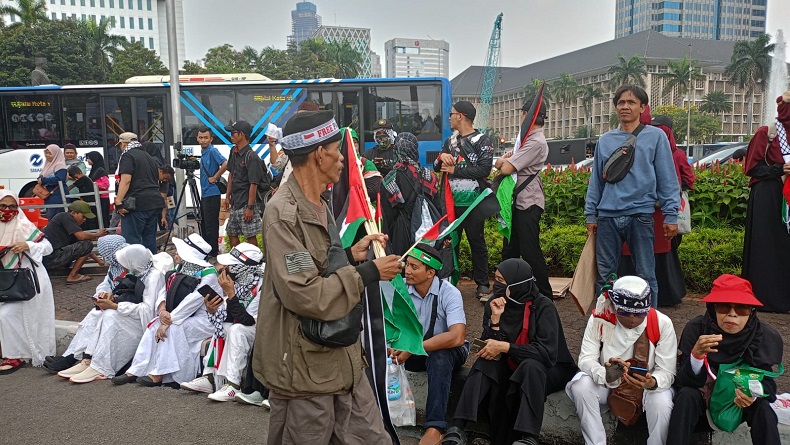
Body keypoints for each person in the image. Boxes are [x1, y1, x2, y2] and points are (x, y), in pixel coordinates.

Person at [253, 110, 403, 444]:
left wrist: (350, 255)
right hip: (304, 370)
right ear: (319, 154)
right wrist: (369, 272)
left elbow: (316, 264)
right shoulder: (283, 214)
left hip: (343, 358)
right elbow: (303, 292)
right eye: (337, 150)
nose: (343, 158)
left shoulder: (319, 203)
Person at [444, 258, 577, 445]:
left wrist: (506, 347)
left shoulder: (543, 306)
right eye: (495, 279)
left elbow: (546, 353)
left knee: (531, 366)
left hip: (550, 368)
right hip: (513, 363)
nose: (496, 285)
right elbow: (490, 346)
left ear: (518, 283)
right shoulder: (494, 304)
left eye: (501, 280)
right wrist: (495, 322)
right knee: (485, 362)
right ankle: (458, 427)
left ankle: (529, 438)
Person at [583, 85, 680, 306]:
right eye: (621, 103)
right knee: (605, 278)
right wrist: (590, 215)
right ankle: (605, 320)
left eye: (631, 102)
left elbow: (667, 178)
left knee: (646, 277)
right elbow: (596, 181)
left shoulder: (656, 137)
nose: (625, 107)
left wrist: (671, 215)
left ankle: (648, 322)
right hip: (607, 218)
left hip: (640, 216)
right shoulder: (605, 140)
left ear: (642, 107)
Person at [667, 274, 784, 444]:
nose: (732, 315)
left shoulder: (764, 336)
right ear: (712, 308)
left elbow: (769, 388)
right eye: (723, 307)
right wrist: (696, 356)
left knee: (763, 408)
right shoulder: (697, 329)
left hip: (738, 404)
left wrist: (752, 396)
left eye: (742, 309)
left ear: (751, 312)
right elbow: (683, 381)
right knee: (686, 396)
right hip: (702, 401)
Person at [566, 276, 677, 445]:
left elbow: (667, 371)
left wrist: (652, 382)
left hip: (647, 388)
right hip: (607, 384)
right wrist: (605, 374)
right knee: (580, 386)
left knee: (661, 403)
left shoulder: (662, 323)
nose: (632, 318)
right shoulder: (600, 318)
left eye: (639, 313)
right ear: (614, 306)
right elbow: (586, 358)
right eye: (624, 313)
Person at [114, 234, 219, 386]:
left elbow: (192, 302)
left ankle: (160, 374)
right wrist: (162, 309)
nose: (175, 252)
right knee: (153, 325)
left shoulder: (209, 275)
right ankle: (136, 369)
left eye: (179, 250)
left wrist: (168, 321)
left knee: (172, 328)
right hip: (179, 315)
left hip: (205, 319)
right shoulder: (181, 267)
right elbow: (165, 289)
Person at [54, 241, 166, 383]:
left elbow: (148, 311)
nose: (123, 267)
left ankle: (103, 366)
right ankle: (86, 358)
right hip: (133, 313)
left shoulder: (153, 277)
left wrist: (116, 306)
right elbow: (127, 292)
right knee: (98, 313)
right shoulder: (139, 270)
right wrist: (112, 297)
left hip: (143, 320)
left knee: (110, 315)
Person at [389, 243, 468, 445]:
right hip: (411, 350)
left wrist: (413, 348)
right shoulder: (400, 289)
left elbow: (457, 337)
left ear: (430, 273)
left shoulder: (449, 293)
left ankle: (435, 427)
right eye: (407, 265)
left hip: (447, 351)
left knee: (440, 356)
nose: (407, 270)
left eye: (414, 267)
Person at [619, 111, 694, 307]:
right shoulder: (676, 153)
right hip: (661, 212)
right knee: (659, 252)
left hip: (636, 209)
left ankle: (630, 295)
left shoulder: (632, 145)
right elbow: (688, 180)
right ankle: (662, 297)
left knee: (633, 251)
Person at [181, 242, 266, 404]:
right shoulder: (241, 282)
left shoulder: (262, 285)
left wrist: (230, 294)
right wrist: (212, 309)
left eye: (231, 266)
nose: (226, 269)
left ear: (244, 268)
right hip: (246, 326)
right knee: (224, 326)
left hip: (261, 330)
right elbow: (228, 317)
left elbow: (247, 320)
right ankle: (209, 377)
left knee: (237, 330)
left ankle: (233, 385)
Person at [434, 101, 495, 299]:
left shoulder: (482, 140)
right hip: (450, 203)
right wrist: (442, 157)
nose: (449, 117)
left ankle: (482, 284)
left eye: (452, 114)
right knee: (450, 243)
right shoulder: (450, 141)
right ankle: (449, 282)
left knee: (477, 242)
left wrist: (455, 169)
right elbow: (436, 166)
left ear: (460, 116)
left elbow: (484, 169)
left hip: (474, 203)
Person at [495, 98, 552, 299]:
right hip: (518, 202)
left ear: (526, 115)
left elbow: (505, 167)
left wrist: (502, 161)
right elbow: (502, 164)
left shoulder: (535, 141)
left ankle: (544, 296)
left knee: (530, 252)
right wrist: (503, 161)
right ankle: (506, 292)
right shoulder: (526, 140)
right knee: (510, 249)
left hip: (528, 203)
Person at [742, 91, 790, 312]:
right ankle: (766, 297)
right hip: (769, 195)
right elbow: (752, 168)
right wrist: (780, 169)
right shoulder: (767, 133)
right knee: (768, 245)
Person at [0, 190, 55, 374]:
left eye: (12, 206)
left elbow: (48, 247)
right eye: (3, 206)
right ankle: (13, 353)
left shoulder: (23, 225)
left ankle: (23, 355)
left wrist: (28, 245)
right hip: (6, 280)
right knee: (7, 315)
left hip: (30, 278)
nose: (7, 210)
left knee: (17, 315)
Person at [381, 132, 442, 256]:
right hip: (427, 230)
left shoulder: (391, 178)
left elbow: (386, 215)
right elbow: (438, 207)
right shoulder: (429, 176)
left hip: (402, 232)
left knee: (403, 264)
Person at [114, 139, 163, 253]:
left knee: (131, 241)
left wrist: (118, 201)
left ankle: (135, 264)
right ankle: (151, 263)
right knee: (149, 240)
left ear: (124, 144)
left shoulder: (128, 156)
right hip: (154, 202)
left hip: (137, 204)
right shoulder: (150, 157)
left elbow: (126, 180)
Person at [42, 201, 106, 284]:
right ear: (73, 213)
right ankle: (73, 275)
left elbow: (84, 249)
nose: (84, 219)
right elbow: (82, 237)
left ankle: (64, 271)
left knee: (85, 244)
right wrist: (97, 235)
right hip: (50, 257)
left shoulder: (69, 227)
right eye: (83, 216)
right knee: (87, 244)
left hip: (50, 258)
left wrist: (99, 261)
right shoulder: (65, 216)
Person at [224, 121, 264, 248]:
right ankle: (236, 258)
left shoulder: (252, 157)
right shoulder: (233, 151)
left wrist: (250, 208)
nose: (231, 136)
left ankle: (254, 259)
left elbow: (254, 184)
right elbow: (231, 175)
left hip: (246, 203)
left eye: (233, 133)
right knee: (232, 233)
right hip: (235, 202)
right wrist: (227, 196)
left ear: (241, 134)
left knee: (250, 236)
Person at [198, 127, 228, 257]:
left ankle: (213, 252)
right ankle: (207, 250)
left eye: (206, 138)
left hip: (212, 193)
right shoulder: (204, 152)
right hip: (205, 193)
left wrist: (215, 177)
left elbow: (225, 163)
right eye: (201, 137)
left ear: (211, 139)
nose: (203, 140)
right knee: (204, 223)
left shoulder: (212, 151)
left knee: (211, 225)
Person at [38, 144, 68, 221]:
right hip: (49, 196)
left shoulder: (60, 165)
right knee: (51, 218)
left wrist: (43, 180)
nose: (47, 155)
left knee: (55, 219)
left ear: (56, 154)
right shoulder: (48, 165)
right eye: (46, 153)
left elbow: (60, 179)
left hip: (58, 196)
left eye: (50, 153)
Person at [86, 151, 111, 229]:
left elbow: (105, 184)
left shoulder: (100, 171)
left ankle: (105, 231)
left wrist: (93, 184)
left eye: (89, 158)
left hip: (102, 198)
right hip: (96, 197)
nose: (88, 160)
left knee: (103, 216)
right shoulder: (94, 170)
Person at [157, 165, 175, 230]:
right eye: (165, 178)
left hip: (159, 203)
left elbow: (164, 199)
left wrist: (163, 217)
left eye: (167, 179)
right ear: (161, 172)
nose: (165, 180)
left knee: (169, 216)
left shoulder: (165, 182)